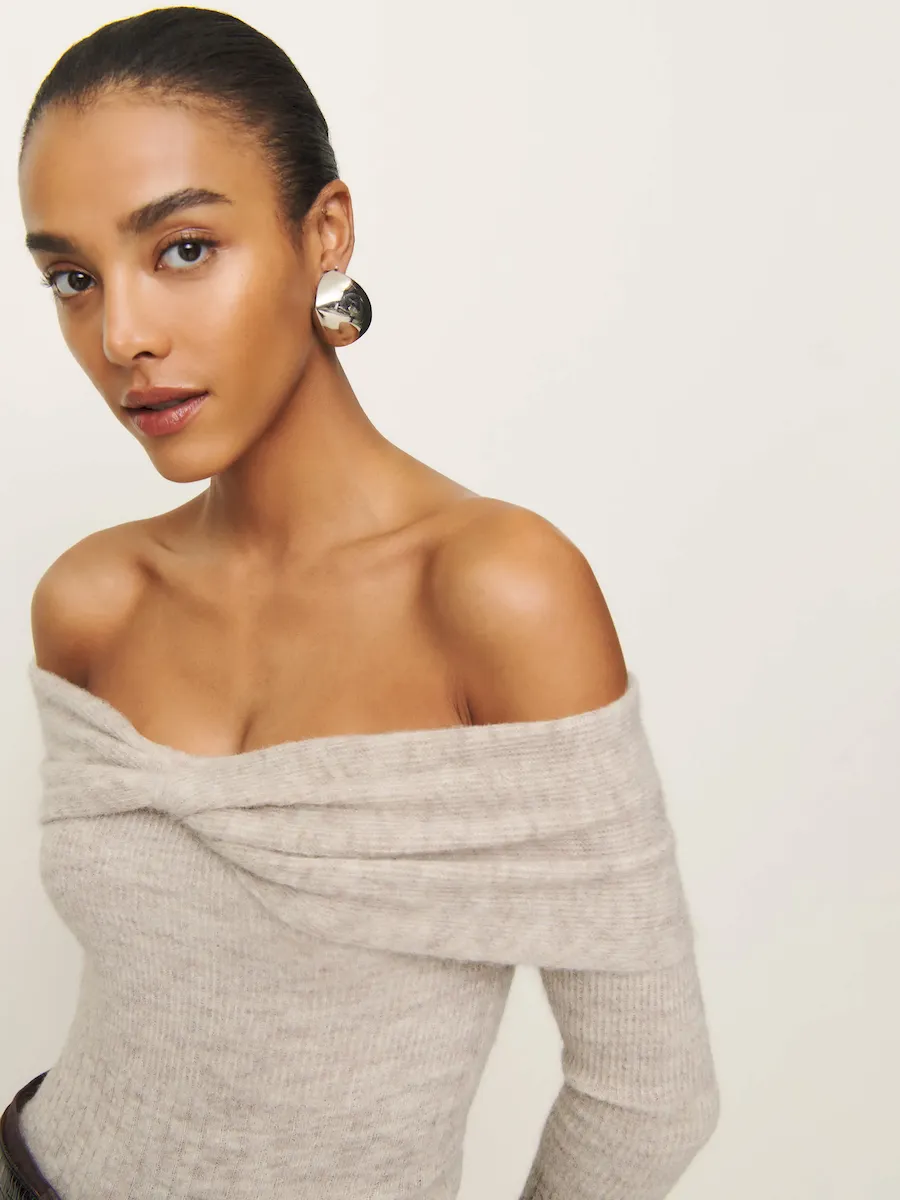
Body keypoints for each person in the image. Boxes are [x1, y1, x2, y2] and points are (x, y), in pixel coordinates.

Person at [3, 7, 720, 1199]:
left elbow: (650, 1092)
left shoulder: (496, 592)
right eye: (72, 278)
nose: (121, 334)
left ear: (323, 231)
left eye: (183, 248)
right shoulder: (91, 603)